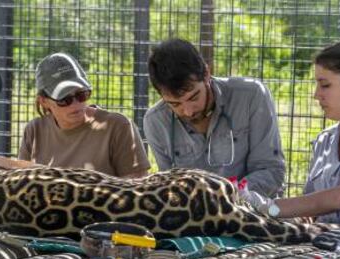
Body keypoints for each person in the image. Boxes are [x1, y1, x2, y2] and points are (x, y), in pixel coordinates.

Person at [239, 39, 340, 224]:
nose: (316, 94)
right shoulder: (324, 140)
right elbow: (310, 208)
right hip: (323, 245)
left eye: (325, 85)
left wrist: (269, 207)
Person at [143, 38, 285, 197]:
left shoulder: (252, 96)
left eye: (193, 97)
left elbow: (272, 172)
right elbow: (170, 187)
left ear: (206, 74)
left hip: (251, 211)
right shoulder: (155, 122)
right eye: (175, 104)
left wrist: (224, 196)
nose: (188, 111)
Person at [19, 52, 150, 178]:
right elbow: (22, 184)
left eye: (81, 94)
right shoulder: (34, 130)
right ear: (43, 101)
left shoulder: (118, 126)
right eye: (64, 99)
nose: (76, 104)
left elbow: (137, 187)